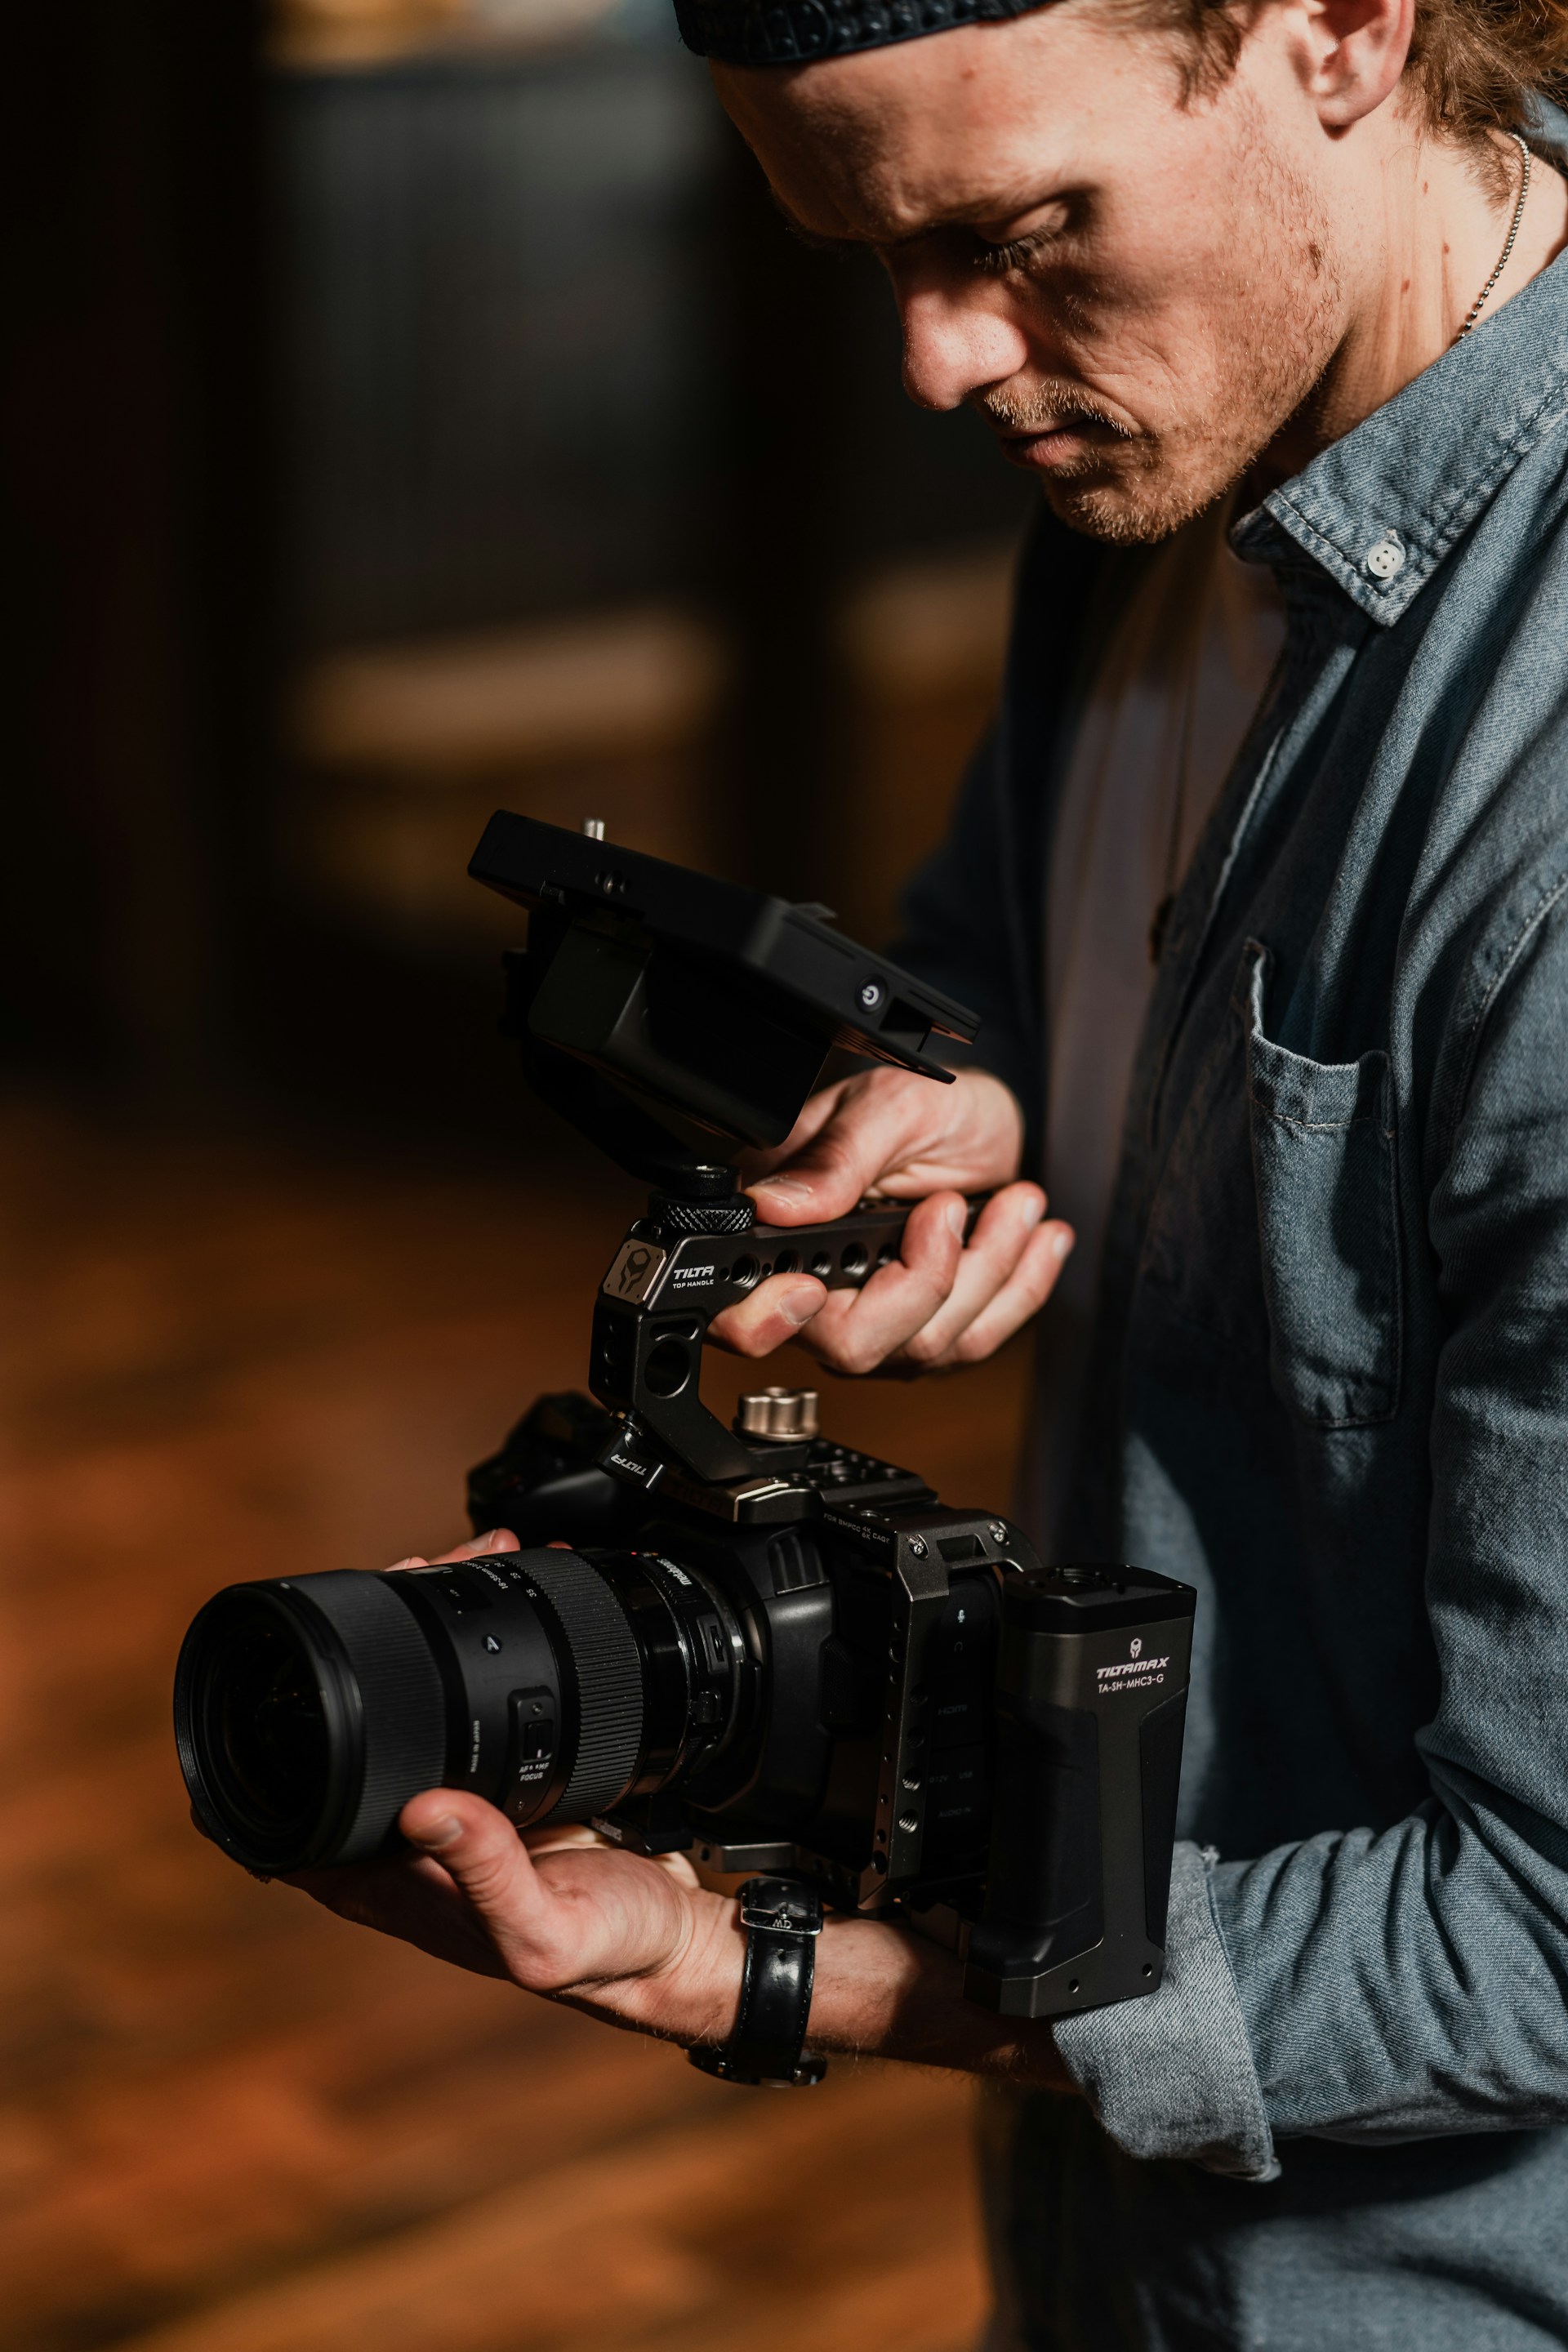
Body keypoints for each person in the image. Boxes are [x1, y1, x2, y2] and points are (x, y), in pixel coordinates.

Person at [292, 0, 1568, 2341]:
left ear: (1348, 26)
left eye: (1019, 233)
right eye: (865, 253)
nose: (944, 359)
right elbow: (1011, 932)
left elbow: (1543, 1940)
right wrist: (965, 1086)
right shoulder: (1170, 447)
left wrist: (781, 1973)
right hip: (1103, 2229)